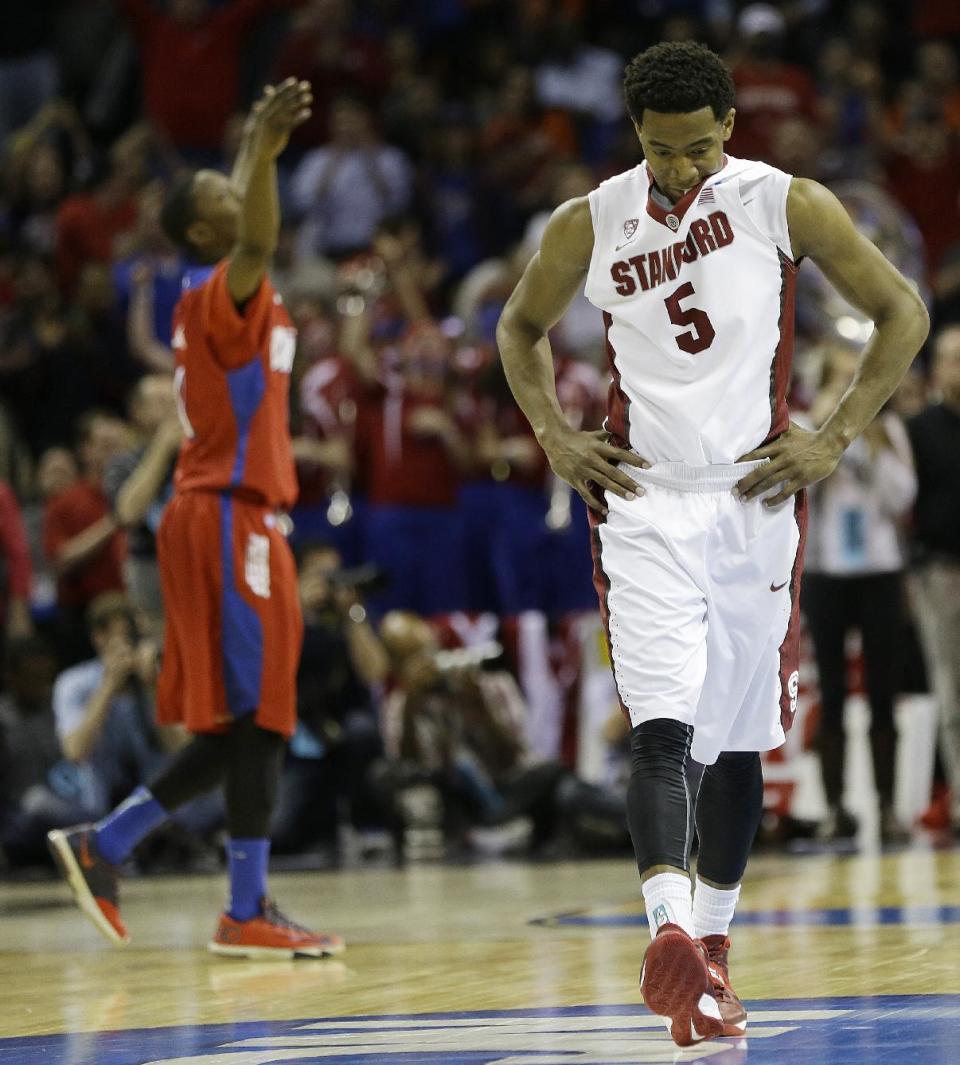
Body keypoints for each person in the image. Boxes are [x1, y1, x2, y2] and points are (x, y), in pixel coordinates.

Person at [496, 41, 928, 1048]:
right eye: (660, 151)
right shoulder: (590, 220)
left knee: (738, 741)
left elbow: (901, 311)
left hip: (753, 501)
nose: (679, 169)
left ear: (730, 125)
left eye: (696, 148)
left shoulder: (787, 202)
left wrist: (834, 436)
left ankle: (714, 961)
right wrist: (555, 439)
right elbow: (519, 330)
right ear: (635, 137)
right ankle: (671, 933)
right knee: (661, 728)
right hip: (643, 502)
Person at [48, 78, 345, 960]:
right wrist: (259, 149)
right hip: (223, 515)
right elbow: (259, 228)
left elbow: (255, 226)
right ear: (209, 232)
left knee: (252, 722)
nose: (244, 189)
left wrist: (253, 152)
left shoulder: (241, 296)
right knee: (254, 720)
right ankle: (227, 901)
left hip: (246, 518)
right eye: (227, 192)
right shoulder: (223, 287)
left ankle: (128, 853)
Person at [802, 345, 917, 845]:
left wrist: (864, 446)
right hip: (827, 573)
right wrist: (826, 434)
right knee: (832, 691)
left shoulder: (886, 430)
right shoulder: (806, 425)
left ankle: (888, 806)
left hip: (878, 571)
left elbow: (902, 496)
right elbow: (798, 491)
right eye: (840, 380)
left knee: (883, 689)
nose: (850, 390)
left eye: (858, 380)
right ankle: (834, 807)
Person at [908, 325, 960, 835]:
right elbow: (905, 505)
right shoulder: (919, 428)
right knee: (951, 690)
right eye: (951, 360)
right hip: (940, 572)